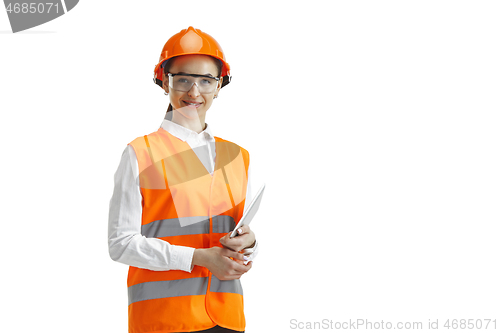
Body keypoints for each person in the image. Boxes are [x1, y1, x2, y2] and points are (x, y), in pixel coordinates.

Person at [108, 26, 259, 333]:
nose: (194, 92)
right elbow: (120, 244)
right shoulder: (140, 153)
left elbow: (229, 232)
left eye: (206, 80)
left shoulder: (237, 156)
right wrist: (197, 257)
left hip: (227, 315)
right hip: (163, 319)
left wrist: (250, 243)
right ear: (165, 82)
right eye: (184, 79)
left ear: (219, 86)